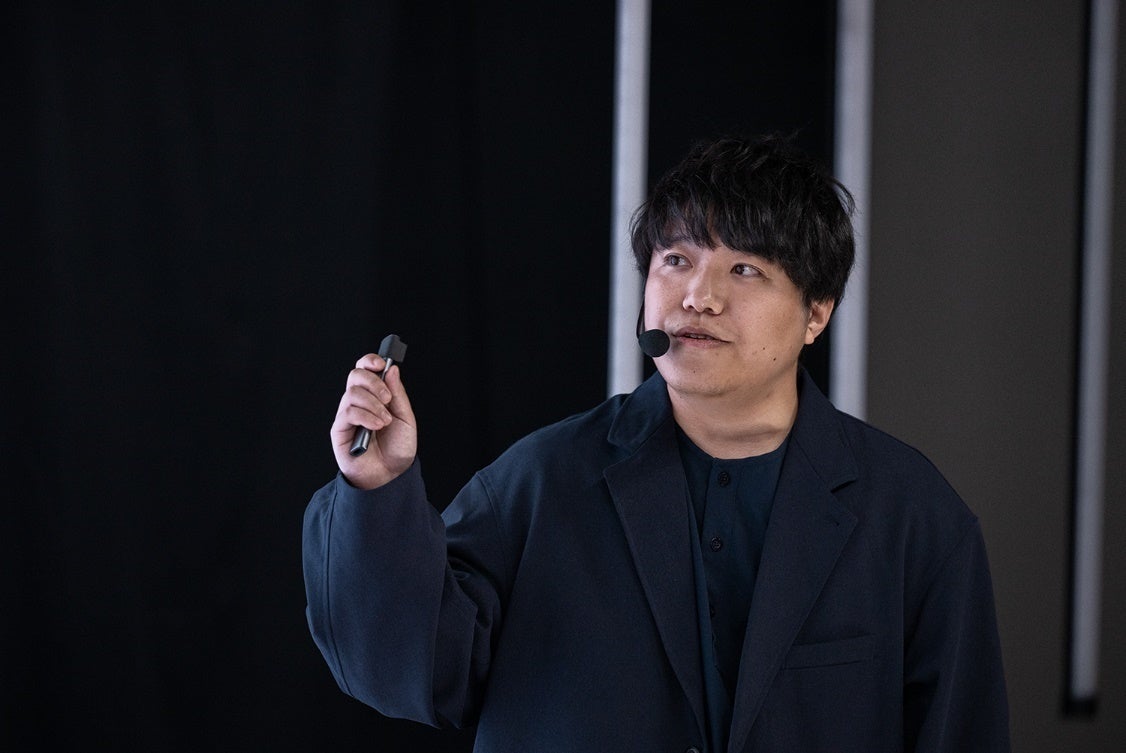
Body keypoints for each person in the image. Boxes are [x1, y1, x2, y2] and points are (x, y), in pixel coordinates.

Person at [303, 134, 1010, 752]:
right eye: (675, 259)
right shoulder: (543, 480)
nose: (697, 296)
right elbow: (412, 673)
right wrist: (378, 490)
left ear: (816, 313)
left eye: (745, 269)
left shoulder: (912, 513)